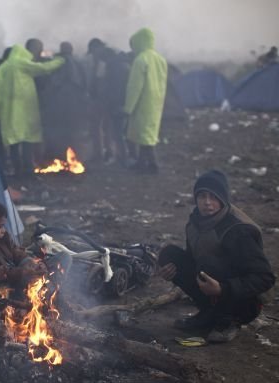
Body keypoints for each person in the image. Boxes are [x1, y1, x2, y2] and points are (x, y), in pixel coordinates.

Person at [158, 170, 275, 343]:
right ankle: (209, 312)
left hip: (245, 302)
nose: (207, 202)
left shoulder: (238, 230)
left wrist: (223, 289)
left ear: (223, 199)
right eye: (202, 196)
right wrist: (171, 271)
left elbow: (265, 278)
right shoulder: (194, 223)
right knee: (170, 255)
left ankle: (228, 320)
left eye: (213, 197)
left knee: (208, 265)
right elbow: (193, 258)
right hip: (213, 285)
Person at [0, 43, 64, 176]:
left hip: (8, 113)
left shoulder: (2, 68)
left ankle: (17, 170)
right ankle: (28, 170)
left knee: (13, 143)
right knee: (27, 142)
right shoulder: (21, 63)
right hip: (25, 111)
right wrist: (61, 60)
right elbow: (43, 68)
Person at [123, 28, 167, 174]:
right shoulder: (160, 59)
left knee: (145, 136)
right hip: (156, 102)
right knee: (148, 134)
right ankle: (142, 163)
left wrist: (128, 107)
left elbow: (135, 87)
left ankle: (154, 165)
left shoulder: (141, 59)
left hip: (142, 103)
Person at [37, 41, 88, 162]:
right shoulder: (78, 64)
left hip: (58, 104)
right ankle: (73, 159)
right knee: (72, 132)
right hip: (74, 105)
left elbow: (51, 83)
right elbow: (84, 84)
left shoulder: (56, 63)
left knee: (57, 131)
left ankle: (58, 158)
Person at [98, 46, 133, 165]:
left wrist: (112, 103)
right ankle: (126, 157)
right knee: (122, 132)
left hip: (117, 104)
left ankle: (122, 158)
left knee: (118, 133)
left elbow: (115, 89)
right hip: (123, 103)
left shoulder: (115, 68)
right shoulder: (122, 65)